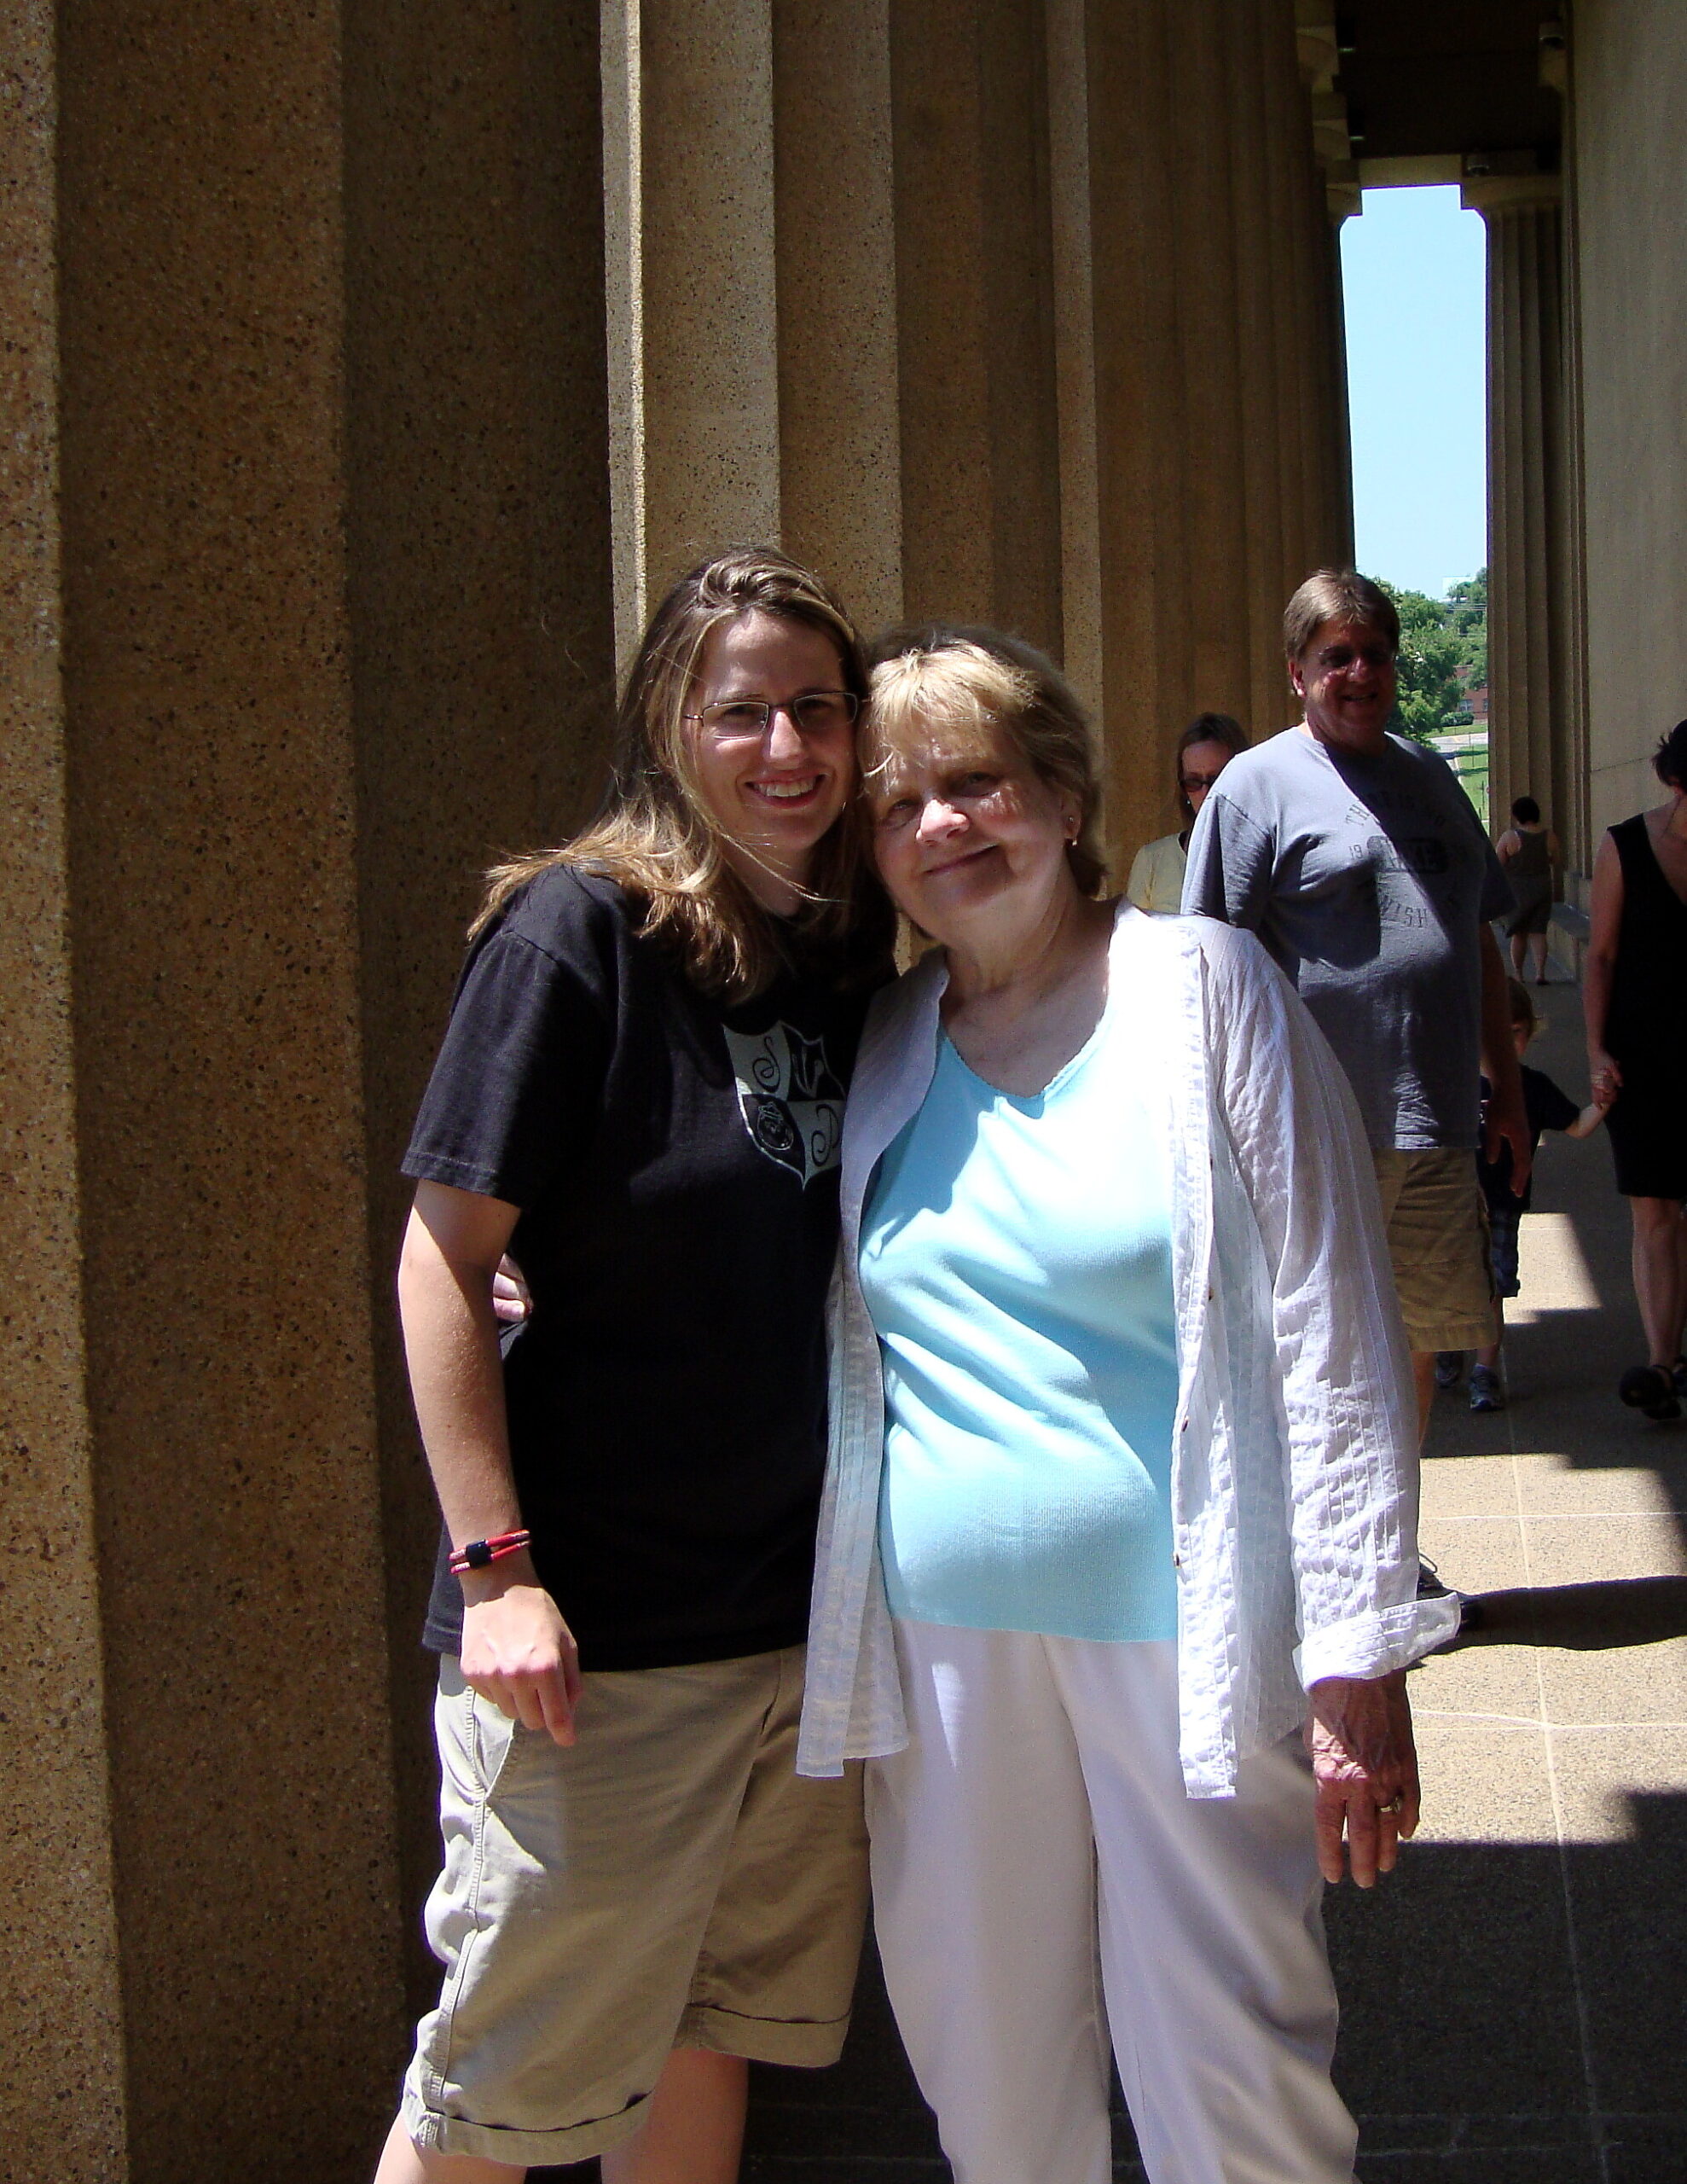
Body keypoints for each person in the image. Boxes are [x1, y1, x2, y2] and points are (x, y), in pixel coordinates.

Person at [797, 629, 1458, 2184]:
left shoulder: (1204, 987)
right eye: (898, 803)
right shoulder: (885, 1043)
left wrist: (1357, 1648)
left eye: (978, 782)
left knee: (1232, 2072)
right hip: (941, 1646)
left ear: (1066, 798)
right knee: (986, 2075)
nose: (941, 824)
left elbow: (1330, 1325)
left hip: (1184, 1635)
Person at [373, 549, 895, 2184]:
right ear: (669, 725)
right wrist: (498, 1570)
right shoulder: (575, 934)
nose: (786, 748)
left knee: (704, 2037)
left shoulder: (840, 956)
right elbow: (440, 1260)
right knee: (496, 2098)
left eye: (817, 707)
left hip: (793, 1639)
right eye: (741, 712)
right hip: (598, 1659)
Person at [1181, 568, 1531, 1479]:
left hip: (1438, 1124)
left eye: (1375, 653)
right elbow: (1206, 970)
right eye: (1336, 656)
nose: (1359, 673)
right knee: (1321, 1353)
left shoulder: (1432, 777)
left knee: (1419, 1342)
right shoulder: (1254, 786)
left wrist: (1508, 1091)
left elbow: (1476, 944)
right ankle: (1318, 1544)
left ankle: (1389, 1535)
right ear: (1296, 671)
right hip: (1314, 1132)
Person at [1583, 717, 1687, 1424]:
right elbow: (1600, 956)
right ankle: (1662, 1360)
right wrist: (1596, 1050)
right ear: (1675, 781)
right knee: (1655, 1211)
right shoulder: (1624, 845)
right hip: (1644, 1056)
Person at [1450, 979, 1611, 1414]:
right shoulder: (1454, 1084)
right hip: (1456, 1203)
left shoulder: (1532, 1087)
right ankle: (1448, 1346)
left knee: (1494, 1285)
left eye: (1516, 1032)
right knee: (1452, 1281)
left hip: (1504, 1204)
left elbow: (1577, 1126)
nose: (1506, 1043)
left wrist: (1603, 1102)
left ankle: (1484, 1370)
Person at [1125, 712, 1249, 914]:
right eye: (1194, 782)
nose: (1207, 794)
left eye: (1217, 780)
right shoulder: (1153, 860)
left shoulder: (1269, 860)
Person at [1496, 795, 1561, 985]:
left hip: (1518, 890)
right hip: (1542, 887)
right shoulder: (1549, 836)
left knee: (1519, 933)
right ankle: (1540, 973)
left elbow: (1499, 863)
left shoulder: (1510, 837)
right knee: (1539, 932)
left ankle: (1519, 973)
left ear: (1517, 815)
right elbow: (1556, 860)